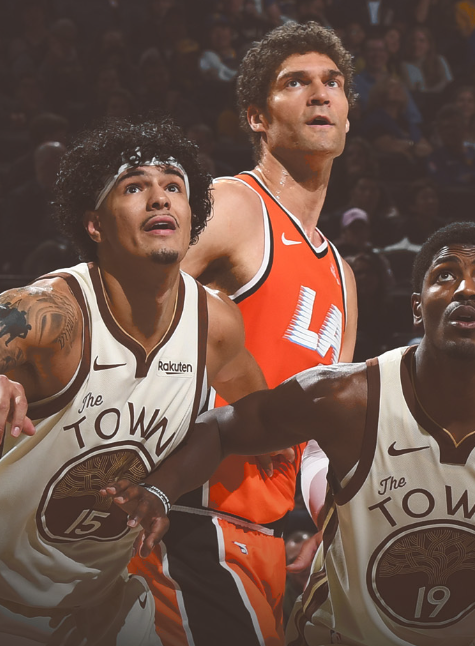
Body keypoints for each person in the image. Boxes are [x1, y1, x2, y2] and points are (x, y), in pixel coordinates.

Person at [106, 221, 475, 645]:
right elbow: (221, 429)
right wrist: (160, 489)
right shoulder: (347, 397)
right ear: (416, 306)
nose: (466, 289)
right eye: (445, 274)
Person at [128, 22, 358, 646]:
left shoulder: (342, 275)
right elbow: (120, 295)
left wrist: (340, 515)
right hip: (182, 518)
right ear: (257, 116)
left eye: (333, 82)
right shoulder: (232, 205)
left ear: (347, 113)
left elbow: (315, 444)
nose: (321, 94)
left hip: (261, 542)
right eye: (297, 82)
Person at [0, 118, 267, 645]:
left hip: (104, 604)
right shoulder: (47, 314)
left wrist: (165, 488)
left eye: (173, 186)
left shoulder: (214, 324)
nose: (159, 198)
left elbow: (253, 418)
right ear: (94, 225)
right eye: (133, 187)